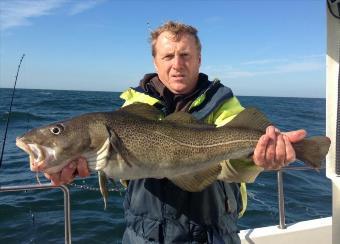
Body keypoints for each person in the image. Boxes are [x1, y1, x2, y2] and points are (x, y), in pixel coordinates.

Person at [45, 21, 306, 243]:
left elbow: (229, 168)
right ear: (155, 61)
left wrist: (256, 159)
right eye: (168, 56)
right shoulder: (131, 110)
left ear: (199, 59)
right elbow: (125, 173)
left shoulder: (225, 105)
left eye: (186, 55)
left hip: (212, 234)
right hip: (144, 235)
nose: (177, 64)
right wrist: (72, 164)